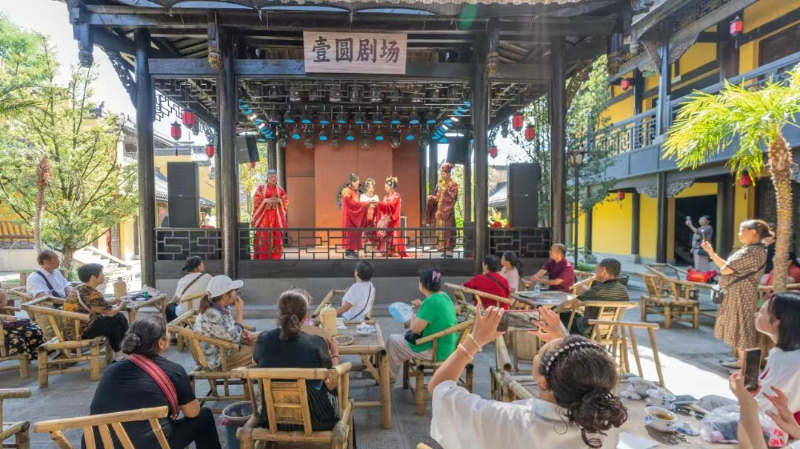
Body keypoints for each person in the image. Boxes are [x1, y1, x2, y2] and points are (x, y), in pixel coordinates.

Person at [428, 306, 626, 448]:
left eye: (540, 352)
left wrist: (475, 340)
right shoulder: (606, 427)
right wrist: (565, 345)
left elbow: (439, 388)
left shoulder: (505, 420)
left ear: (543, 382)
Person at [86, 316, 220, 449]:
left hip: (100, 445)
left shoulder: (110, 370)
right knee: (204, 416)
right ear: (161, 343)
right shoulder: (173, 370)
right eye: (168, 333)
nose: (170, 336)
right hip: (149, 445)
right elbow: (193, 413)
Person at [254, 289, 341, 431]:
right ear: (305, 316)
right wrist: (335, 354)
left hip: (272, 418)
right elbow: (331, 384)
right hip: (315, 419)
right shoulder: (316, 342)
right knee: (329, 388)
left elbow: (256, 359)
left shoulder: (264, 339)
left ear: (279, 314)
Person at [702, 219, 771, 369]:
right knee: (738, 328)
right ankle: (741, 362)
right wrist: (711, 252)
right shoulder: (749, 250)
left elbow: (726, 269)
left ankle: (747, 367)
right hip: (736, 293)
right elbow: (727, 267)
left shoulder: (753, 252)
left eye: (742, 230)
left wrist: (721, 265)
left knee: (743, 328)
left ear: (753, 232)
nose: (739, 234)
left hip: (742, 294)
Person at [387, 268, 458, 386]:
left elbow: (415, 329)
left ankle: (389, 379)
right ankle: (389, 375)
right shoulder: (444, 296)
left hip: (434, 349)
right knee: (401, 338)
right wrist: (422, 305)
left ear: (422, 285)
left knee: (392, 341)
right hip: (446, 345)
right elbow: (434, 312)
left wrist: (413, 317)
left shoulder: (430, 302)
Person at [64, 263, 129, 361]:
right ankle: (121, 352)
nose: (103, 275)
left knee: (116, 319)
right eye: (101, 273)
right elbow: (110, 312)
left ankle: (121, 351)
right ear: (93, 277)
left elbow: (95, 305)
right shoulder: (92, 294)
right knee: (114, 319)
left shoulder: (81, 288)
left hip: (73, 330)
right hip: (81, 332)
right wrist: (121, 306)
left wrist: (113, 302)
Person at [193, 275, 256, 370]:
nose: (236, 293)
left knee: (263, 338)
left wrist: (242, 330)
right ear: (225, 296)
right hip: (220, 358)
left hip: (227, 346)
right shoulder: (211, 314)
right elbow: (233, 337)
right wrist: (240, 312)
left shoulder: (222, 307)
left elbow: (229, 328)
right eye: (233, 290)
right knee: (262, 351)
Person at [557, 258, 630, 336]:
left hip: (588, 330)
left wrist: (556, 308)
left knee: (560, 314)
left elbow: (566, 305)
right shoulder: (624, 290)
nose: (595, 271)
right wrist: (587, 293)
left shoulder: (597, 290)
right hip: (609, 331)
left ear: (603, 270)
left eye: (597, 268)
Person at [251, 168, 289, 260]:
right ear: (268, 177)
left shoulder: (280, 189)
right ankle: (262, 255)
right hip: (264, 215)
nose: (273, 178)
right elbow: (256, 199)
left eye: (275, 177)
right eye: (271, 177)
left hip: (276, 215)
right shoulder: (261, 188)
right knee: (263, 234)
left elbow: (285, 200)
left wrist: (279, 200)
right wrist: (265, 201)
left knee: (276, 234)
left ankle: (275, 255)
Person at [1, 282, 44, 362]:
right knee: (21, 333)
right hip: (2, 328)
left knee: (33, 330)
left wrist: (2, 297)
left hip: (4, 324)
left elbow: (4, 304)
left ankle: (39, 358)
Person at [166, 256, 213, 323]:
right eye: (202, 263)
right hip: (203, 311)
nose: (203, 265)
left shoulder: (183, 280)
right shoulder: (209, 278)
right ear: (198, 267)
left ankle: (173, 328)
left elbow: (176, 299)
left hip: (186, 314)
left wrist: (170, 303)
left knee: (169, 307)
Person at [426, 163, 459, 256]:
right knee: (441, 232)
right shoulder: (443, 185)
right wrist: (431, 198)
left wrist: (444, 190)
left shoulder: (453, 185)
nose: (442, 175)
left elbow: (452, 198)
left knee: (448, 231)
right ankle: (444, 250)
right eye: (441, 173)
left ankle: (449, 250)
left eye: (443, 173)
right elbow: (438, 198)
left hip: (447, 213)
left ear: (449, 174)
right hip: (440, 213)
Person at [376, 176, 409, 257]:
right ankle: (385, 251)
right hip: (386, 219)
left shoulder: (397, 196)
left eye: (387, 187)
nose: (386, 189)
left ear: (391, 186)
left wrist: (380, 204)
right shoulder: (386, 196)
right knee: (384, 233)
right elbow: (383, 207)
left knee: (393, 234)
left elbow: (393, 206)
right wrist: (379, 205)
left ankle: (393, 251)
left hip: (393, 218)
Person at [339, 173, 370, 259]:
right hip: (349, 217)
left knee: (353, 234)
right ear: (352, 182)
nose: (358, 185)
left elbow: (356, 204)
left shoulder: (355, 192)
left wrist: (363, 205)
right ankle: (349, 251)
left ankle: (351, 251)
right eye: (357, 183)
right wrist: (364, 205)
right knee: (350, 234)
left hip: (354, 217)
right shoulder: (346, 191)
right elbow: (351, 204)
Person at [360, 178, 380, 249]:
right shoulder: (362, 196)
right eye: (370, 188)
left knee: (373, 232)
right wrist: (368, 204)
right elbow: (361, 206)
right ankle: (365, 248)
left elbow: (378, 206)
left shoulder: (376, 197)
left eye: (372, 188)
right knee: (365, 233)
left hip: (373, 218)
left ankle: (373, 248)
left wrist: (374, 204)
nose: (371, 190)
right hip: (365, 218)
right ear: (367, 188)